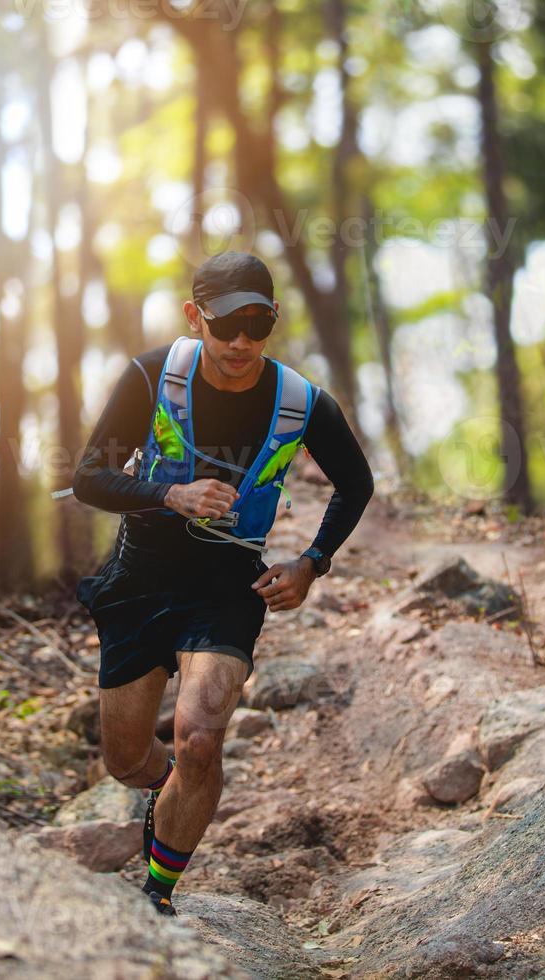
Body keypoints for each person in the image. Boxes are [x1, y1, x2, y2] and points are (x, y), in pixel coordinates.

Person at [69, 251, 374, 916]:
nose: (241, 342)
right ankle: (172, 786)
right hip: (140, 575)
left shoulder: (301, 401)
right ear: (194, 317)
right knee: (126, 760)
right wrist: (168, 493)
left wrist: (311, 563)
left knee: (200, 735)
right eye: (227, 325)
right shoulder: (152, 375)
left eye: (257, 324)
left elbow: (358, 484)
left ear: (273, 322)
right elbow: (90, 476)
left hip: (228, 586)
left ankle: (157, 893)